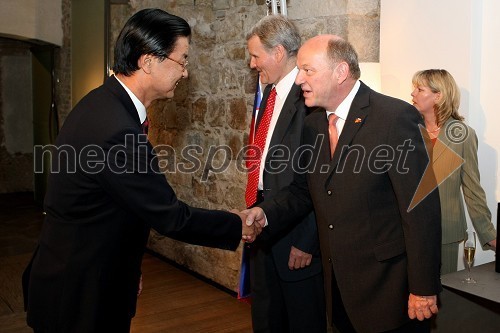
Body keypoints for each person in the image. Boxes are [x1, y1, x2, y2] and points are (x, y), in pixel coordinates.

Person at [22, 9, 259, 333]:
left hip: (84, 275)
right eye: (182, 60)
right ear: (149, 61)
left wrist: (127, 268)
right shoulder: (116, 130)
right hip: (81, 294)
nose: (186, 73)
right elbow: (170, 216)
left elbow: (118, 204)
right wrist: (236, 223)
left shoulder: (102, 103)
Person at [243, 35, 442, 332]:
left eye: (308, 70)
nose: (298, 80)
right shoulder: (313, 125)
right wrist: (266, 213)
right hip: (336, 287)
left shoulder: (393, 118)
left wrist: (423, 288)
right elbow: (302, 191)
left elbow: (420, 209)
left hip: (387, 289)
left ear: (340, 72)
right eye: (299, 70)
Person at [244, 15, 326, 332]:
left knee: (302, 318)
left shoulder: (310, 98)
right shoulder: (271, 94)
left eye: (255, 55)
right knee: (266, 316)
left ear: (278, 53)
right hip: (265, 218)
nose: (252, 65)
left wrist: (308, 241)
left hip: (296, 231)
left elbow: (317, 180)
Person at [411, 69, 497, 275]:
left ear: (438, 95)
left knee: (441, 299)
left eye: (419, 89)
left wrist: (489, 234)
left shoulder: (462, 135)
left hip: (445, 231)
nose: (412, 93)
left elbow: (472, 189)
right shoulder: (407, 130)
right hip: (406, 230)